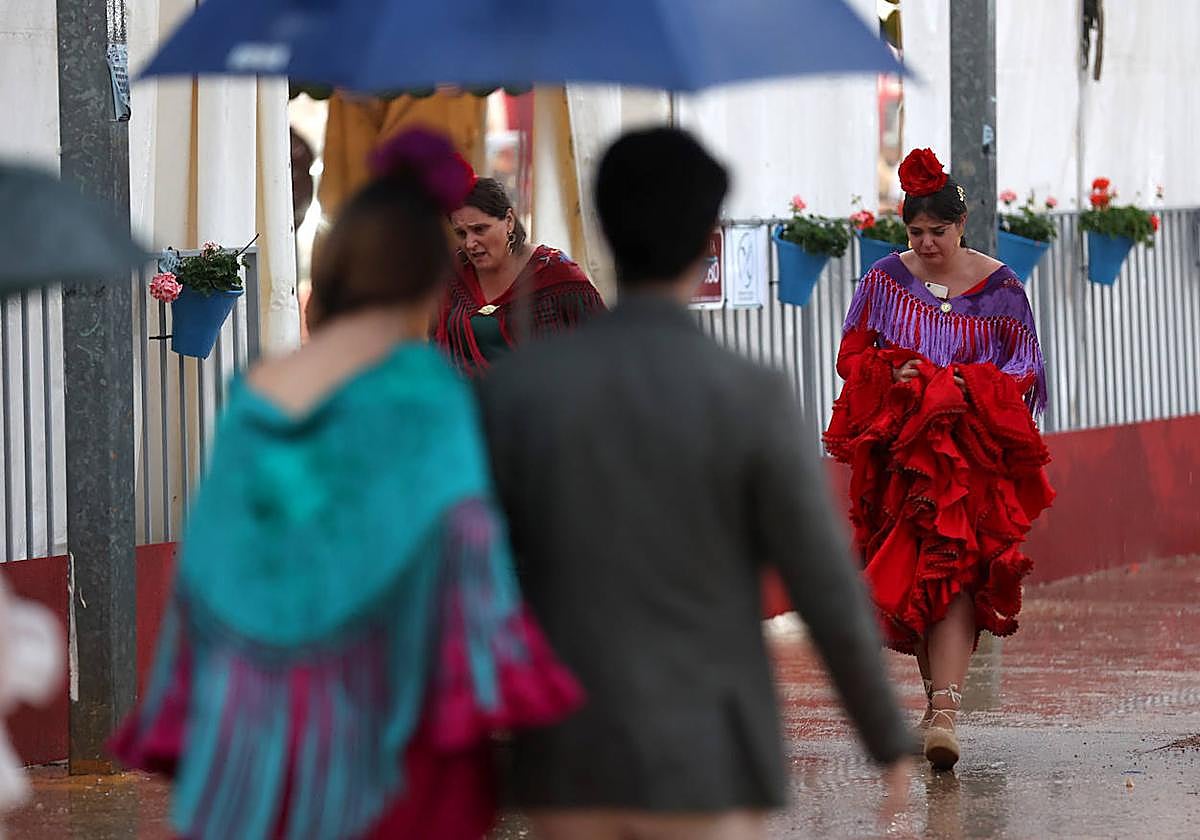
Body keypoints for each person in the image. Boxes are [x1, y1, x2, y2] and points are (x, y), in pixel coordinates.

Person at [109, 128, 582, 840]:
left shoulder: (261, 390)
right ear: (426, 280)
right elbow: (469, 572)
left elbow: (210, 569)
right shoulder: (427, 394)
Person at [479, 128, 911, 840]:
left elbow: (474, 564)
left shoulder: (522, 393)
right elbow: (823, 583)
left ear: (608, 230)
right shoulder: (749, 394)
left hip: (565, 747)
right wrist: (884, 735)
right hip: (708, 750)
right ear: (710, 239)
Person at [824, 147, 1056, 771]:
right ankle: (936, 706)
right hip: (902, 459)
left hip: (969, 460)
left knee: (955, 574)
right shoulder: (882, 282)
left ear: (962, 225)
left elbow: (1026, 366)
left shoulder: (1003, 289)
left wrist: (966, 388)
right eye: (915, 232)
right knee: (920, 577)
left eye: (938, 231)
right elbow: (851, 356)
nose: (926, 243)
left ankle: (946, 711)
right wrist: (889, 369)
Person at [436, 177, 606, 376]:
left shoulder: (555, 272)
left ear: (508, 221)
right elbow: (439, 347)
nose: (470, 243)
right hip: (471, 402)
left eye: (479, 229)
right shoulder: (455, 277)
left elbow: (602, 343)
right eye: (461, 234)